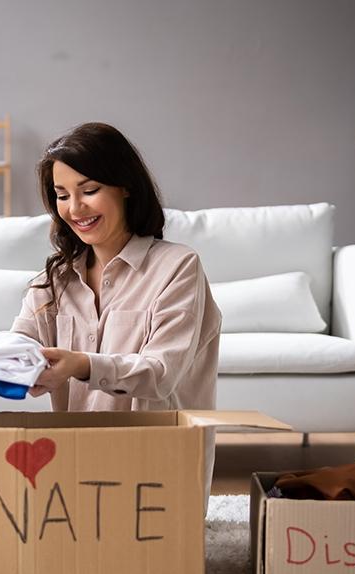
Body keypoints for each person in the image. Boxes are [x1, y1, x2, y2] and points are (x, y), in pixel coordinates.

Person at [11, 122, 221, 414]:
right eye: (62, 195)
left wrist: (82, 364)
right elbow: (16, 347)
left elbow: (161, 373)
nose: (74, 209)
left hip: (160, 453)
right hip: (76, 452)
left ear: (125, 187)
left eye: (89, 190)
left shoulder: (178, 268)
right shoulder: (55, 279)